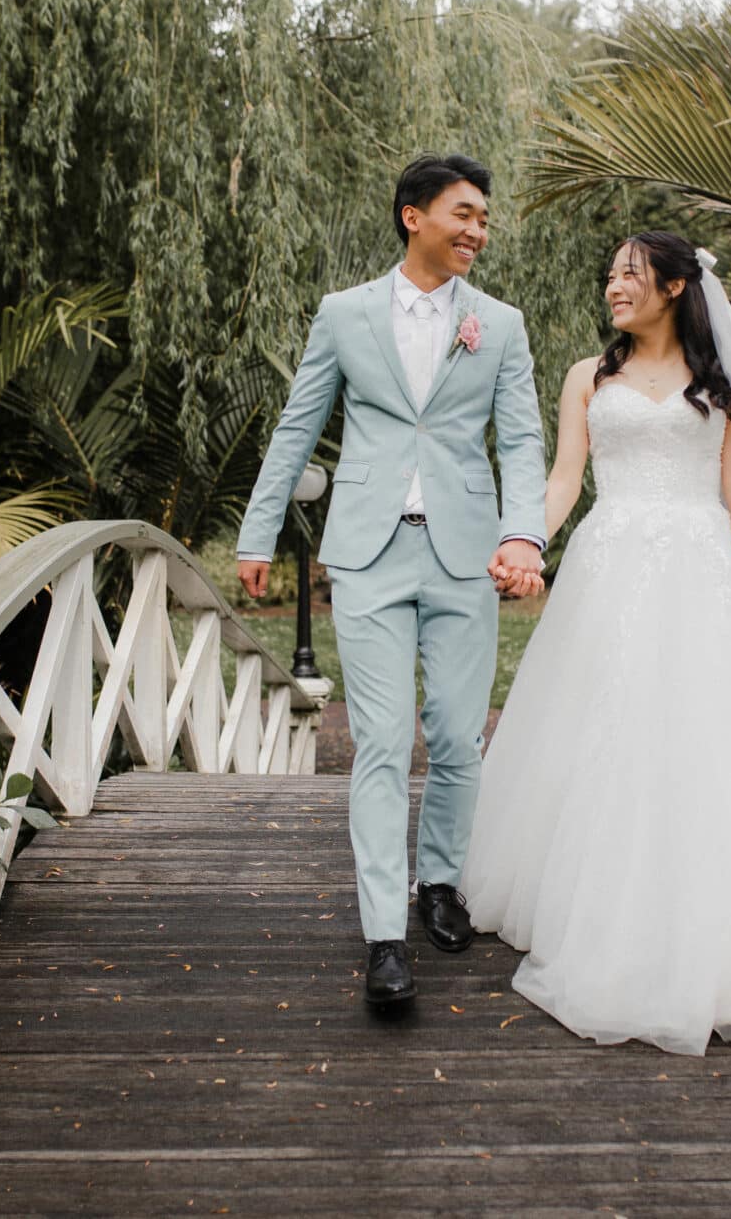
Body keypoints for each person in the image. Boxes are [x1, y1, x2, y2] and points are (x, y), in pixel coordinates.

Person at [460, 232, 731, 1055]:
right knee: (601, 724)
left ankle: (709, 901)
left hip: (698, 571)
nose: (614, 285)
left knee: (702, 732)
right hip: (609, 563)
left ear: (676, 286)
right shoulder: (590, 377)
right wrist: (527, 543)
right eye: (611, 272)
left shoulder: (714, 386)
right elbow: (565, 481)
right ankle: (594, 897)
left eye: (631, 274)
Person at [235, 154, 548, 1010]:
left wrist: (523, 534)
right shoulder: (344, 316)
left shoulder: (501, 325)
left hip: (465, 554)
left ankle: (439, 882)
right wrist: (258, 534)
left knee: (455, 736)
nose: (478, 230)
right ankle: (383, 934)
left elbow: (521, 440)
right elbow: (298, 426)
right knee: (380, 741)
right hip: (368, 554)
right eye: (464, 213)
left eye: (485, 217)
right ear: (414, 216)